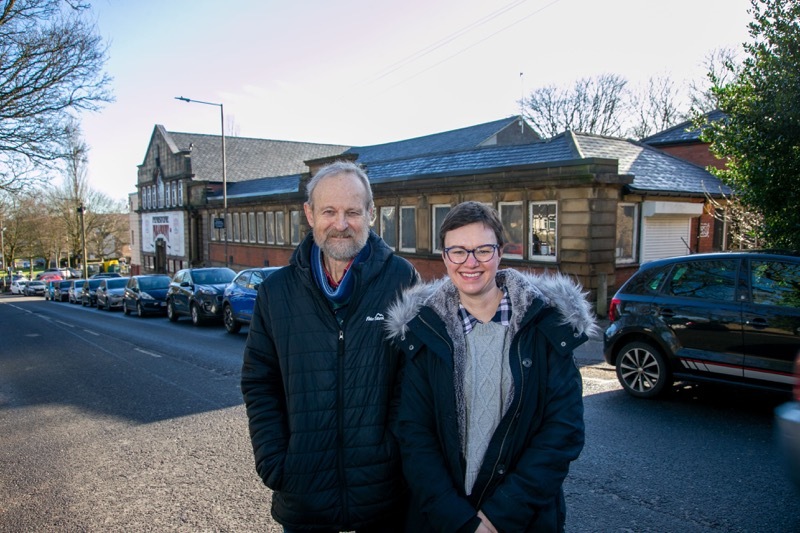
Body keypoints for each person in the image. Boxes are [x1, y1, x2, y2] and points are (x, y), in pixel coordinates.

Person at [386, 201, 598, 532]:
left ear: (500, 253)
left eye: (482, 250)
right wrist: (457, 519)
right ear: (445, 257)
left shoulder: (545, 327)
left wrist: (500, 516)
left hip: (524, 519)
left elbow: (562, 431)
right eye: (458, 251)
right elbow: (414, 435)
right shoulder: (425, 333)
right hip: (447, 521)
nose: (470, 262)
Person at [241, 161, 418, 532]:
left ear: (371, 213)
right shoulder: (276, 292)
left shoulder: (402, 279)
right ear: (309, 214)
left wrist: (395, 454)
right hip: (305, 498)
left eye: (353, 211)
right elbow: (260, 381)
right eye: (329, 212)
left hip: (383, 499)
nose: (341, 224)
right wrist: (276, 461)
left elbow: (416, 380)